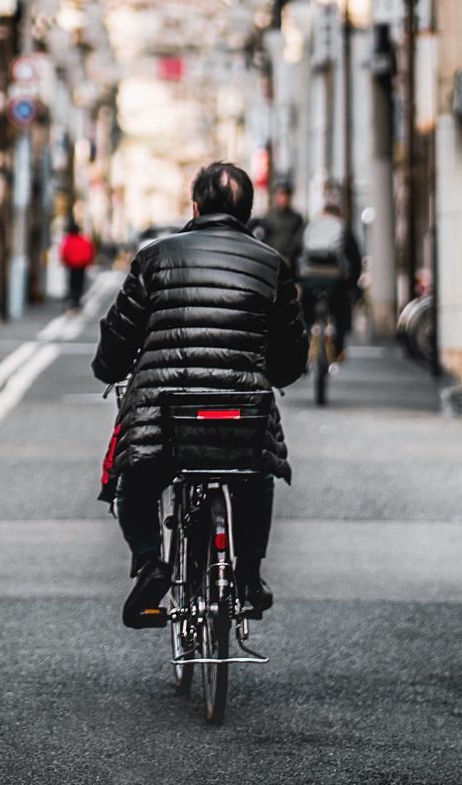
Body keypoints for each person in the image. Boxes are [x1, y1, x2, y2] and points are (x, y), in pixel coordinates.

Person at [92, 161, 308, 628]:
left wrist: (108, 368)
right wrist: (271, 371)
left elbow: (119, 336)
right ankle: (249, 576)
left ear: (194, 206)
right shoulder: (271, 266)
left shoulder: (155, 257)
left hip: (165, 411)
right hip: (241, 412)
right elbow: (291, 356)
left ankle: (151, 563)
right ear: (249, 212)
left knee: (138, 479)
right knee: (254, 478)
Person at [299, 192, 362, 362]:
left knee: (305, 313)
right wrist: (351, 283)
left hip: (310, 278)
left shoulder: (311, 226)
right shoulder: (342, 227)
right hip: (335, 281)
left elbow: (296, 250)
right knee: (340, 311)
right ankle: (339, 348)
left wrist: (298, 279)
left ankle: (303, 349)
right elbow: (355, 259)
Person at [256, 180, 305, 277]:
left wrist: (288, 256)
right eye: (280, 194)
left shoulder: (296, 218)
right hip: (271, 262)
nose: (283, 198)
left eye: (286, 195)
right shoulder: (268, 217)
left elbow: (298, 241)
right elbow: (263, 240)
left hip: (290, 264)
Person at [59, 222, 95, 311]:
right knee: (80, 283)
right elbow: (89, 252)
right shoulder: (83, 240)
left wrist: (65, 262)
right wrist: (87, 262)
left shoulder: (68, 240)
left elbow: (64, 253)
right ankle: (77, 301)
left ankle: (73, 300)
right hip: (81, 266)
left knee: (72, 283)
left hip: (71, 266)